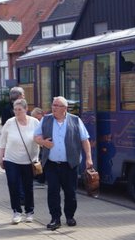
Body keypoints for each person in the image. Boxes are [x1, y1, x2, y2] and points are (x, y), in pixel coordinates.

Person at [34, 96, 93, 230]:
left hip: (70, 164)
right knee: (53, 192)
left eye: (57, 105)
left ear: (65, 108)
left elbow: (85, 140)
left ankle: (70, 216)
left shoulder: (75, 120)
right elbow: (36, 137)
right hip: (52, 164)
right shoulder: (45, 119)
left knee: (70, 193)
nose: (53, 108)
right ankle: (55, 219)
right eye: (53, 105)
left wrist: (89, 158)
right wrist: (43, 142)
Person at [0, 99, 40, 224]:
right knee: (13, 185)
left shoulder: (34, 122)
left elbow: (40, 138)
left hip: (29, 160)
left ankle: (29, 212)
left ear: (26, 109)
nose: (16, 112)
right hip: (12, 159)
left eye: (19, 110)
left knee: (28, 186)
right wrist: (1, 157)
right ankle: (16, 211)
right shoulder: (10, 123)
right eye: (15, 110)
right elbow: (2, 141)